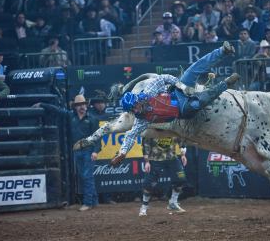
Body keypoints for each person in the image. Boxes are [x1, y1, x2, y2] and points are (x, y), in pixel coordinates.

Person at [73, 42, 240, 164]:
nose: (138, 108)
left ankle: (222, 51)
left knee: (194, 68)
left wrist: (181, 85)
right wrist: (122, 154)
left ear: (137, 100)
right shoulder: (142, 119)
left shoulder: (148, 92)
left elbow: (164, 77)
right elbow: (130, 137)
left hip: (177, 91)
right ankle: (225, 84)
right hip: (182, 110)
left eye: (137, 105)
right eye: (135, 109)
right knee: (199, 103)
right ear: (133, 110)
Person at [33, 94, 101, 211]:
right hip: (77, 150)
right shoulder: (71, 116)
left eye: (83, 104)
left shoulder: (92, 119)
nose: (81, 107)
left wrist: (95, 151)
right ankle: (94, 201)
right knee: (85, 176)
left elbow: (98, 137)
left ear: (86, 105)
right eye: (79, 105)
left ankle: (88, 203)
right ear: (75, 107)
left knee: (86, 176)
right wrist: (42, 105)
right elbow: (57, 111)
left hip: (88, 150)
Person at [139, 137, 187, 216]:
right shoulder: (152, 129)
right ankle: (144, 207)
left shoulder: (173, 128)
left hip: (172, 158)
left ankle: (173, 203)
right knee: (148, 184)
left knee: (181, 179)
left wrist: (183, 155)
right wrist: (147, 162)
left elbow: (182, 141)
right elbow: (145, 146)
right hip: (155, 160)